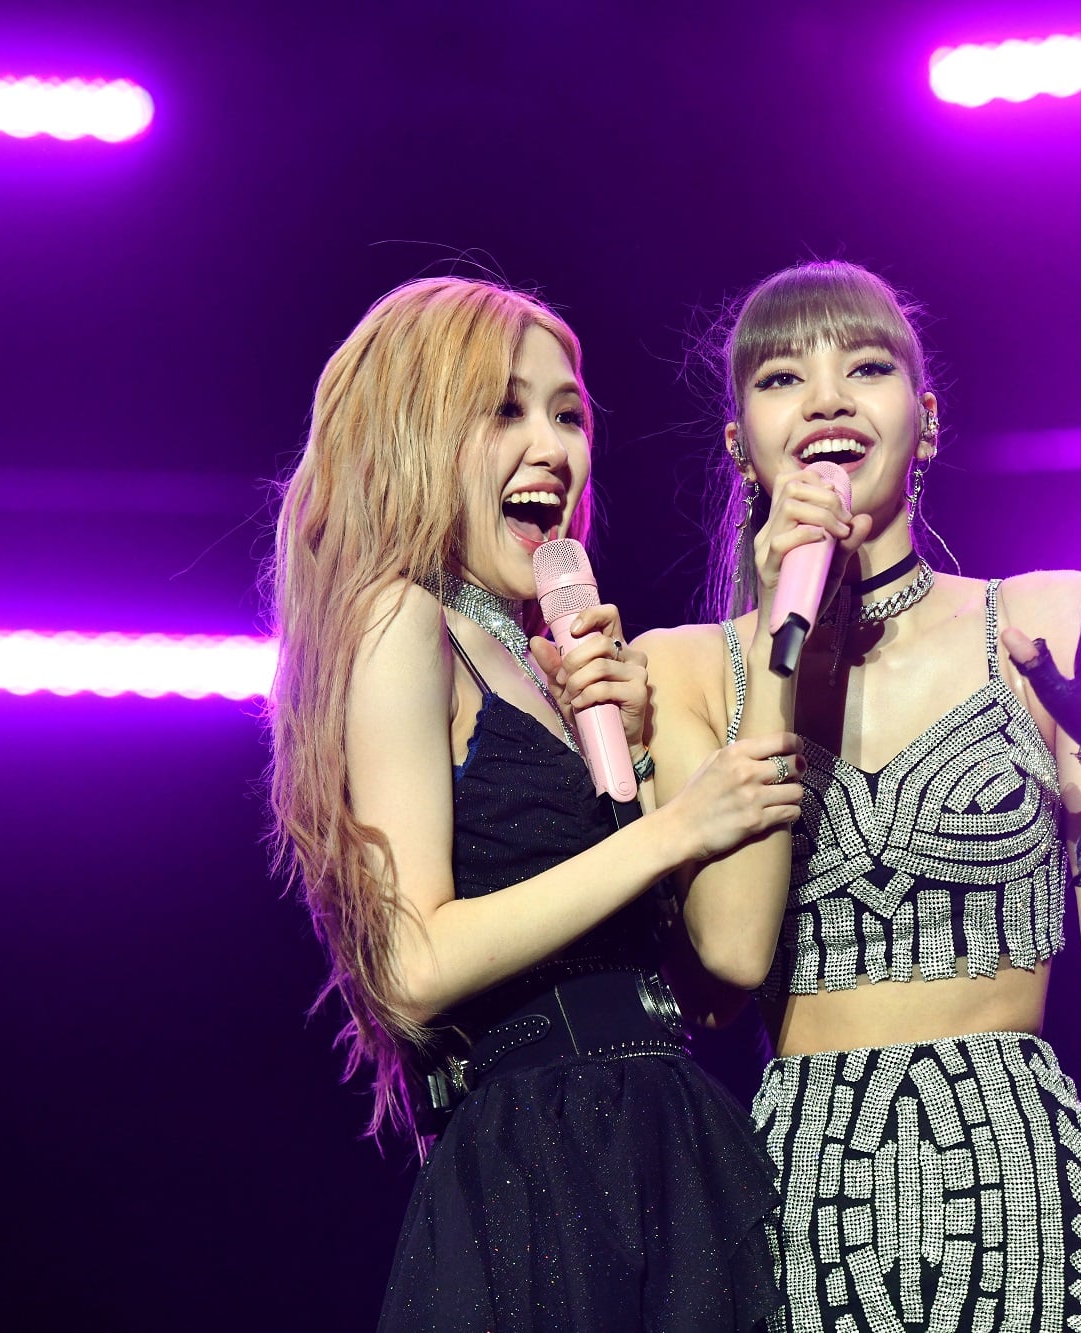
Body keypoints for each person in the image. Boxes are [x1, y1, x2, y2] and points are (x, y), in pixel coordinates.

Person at [638, 261, 1081, 1332]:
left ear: (926, 420)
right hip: (807, 1205)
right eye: (781, 378)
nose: (826, 398)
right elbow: (730, 964)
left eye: (864, 367)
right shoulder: (683, 669)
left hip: (1021, 1198)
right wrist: (781, 635)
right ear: (740, 446)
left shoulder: (1036, 620)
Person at [266, 276, 803, 1331]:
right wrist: (670, 830)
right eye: (505, 409)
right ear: (415, 431)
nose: (552, 447)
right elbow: (413, 961)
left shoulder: (543, 661)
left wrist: (637, 754)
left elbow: (703, 977)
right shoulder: (402, 620)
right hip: (545, 1171)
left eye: (568, 415)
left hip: (659, 1136)